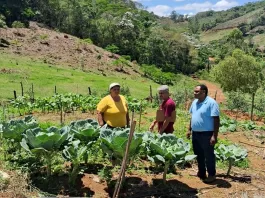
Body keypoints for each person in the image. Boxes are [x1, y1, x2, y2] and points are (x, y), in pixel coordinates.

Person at [187, 84, 220, 183]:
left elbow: (216, 119)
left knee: (208, 155)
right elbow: (193, 117)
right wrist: (189, 129)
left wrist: (214, 135)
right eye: (194, 91)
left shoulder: (211, 103)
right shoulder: (195, 102)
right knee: (198, 154)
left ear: (203, 92)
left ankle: (211, 174)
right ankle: (201, 172)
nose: (194, 93)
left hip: (207, 134)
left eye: (197, 91)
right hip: (195, 133)